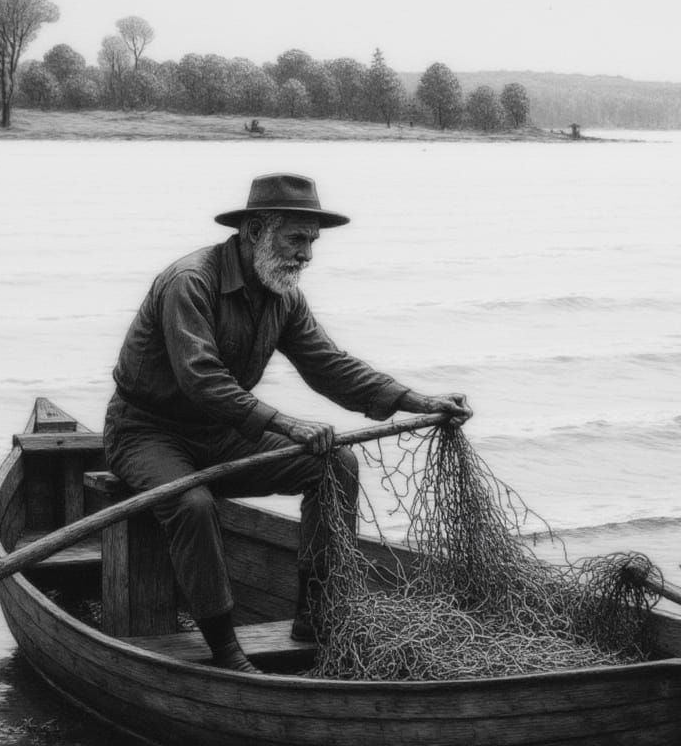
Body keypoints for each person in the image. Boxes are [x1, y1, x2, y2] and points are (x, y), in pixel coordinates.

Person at [103, 173, 471, 672]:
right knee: (192, 504)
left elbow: (330, 366)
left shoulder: (283, 295)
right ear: (255, 231)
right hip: (146, 432)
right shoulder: (190, 282)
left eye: (312, 241)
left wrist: (417, 400)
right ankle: (225, 648)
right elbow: (202, 379)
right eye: (297, 239)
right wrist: (287, 424)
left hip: (222, 432)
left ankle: (315, 612)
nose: (307, 255)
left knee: (334, 464)